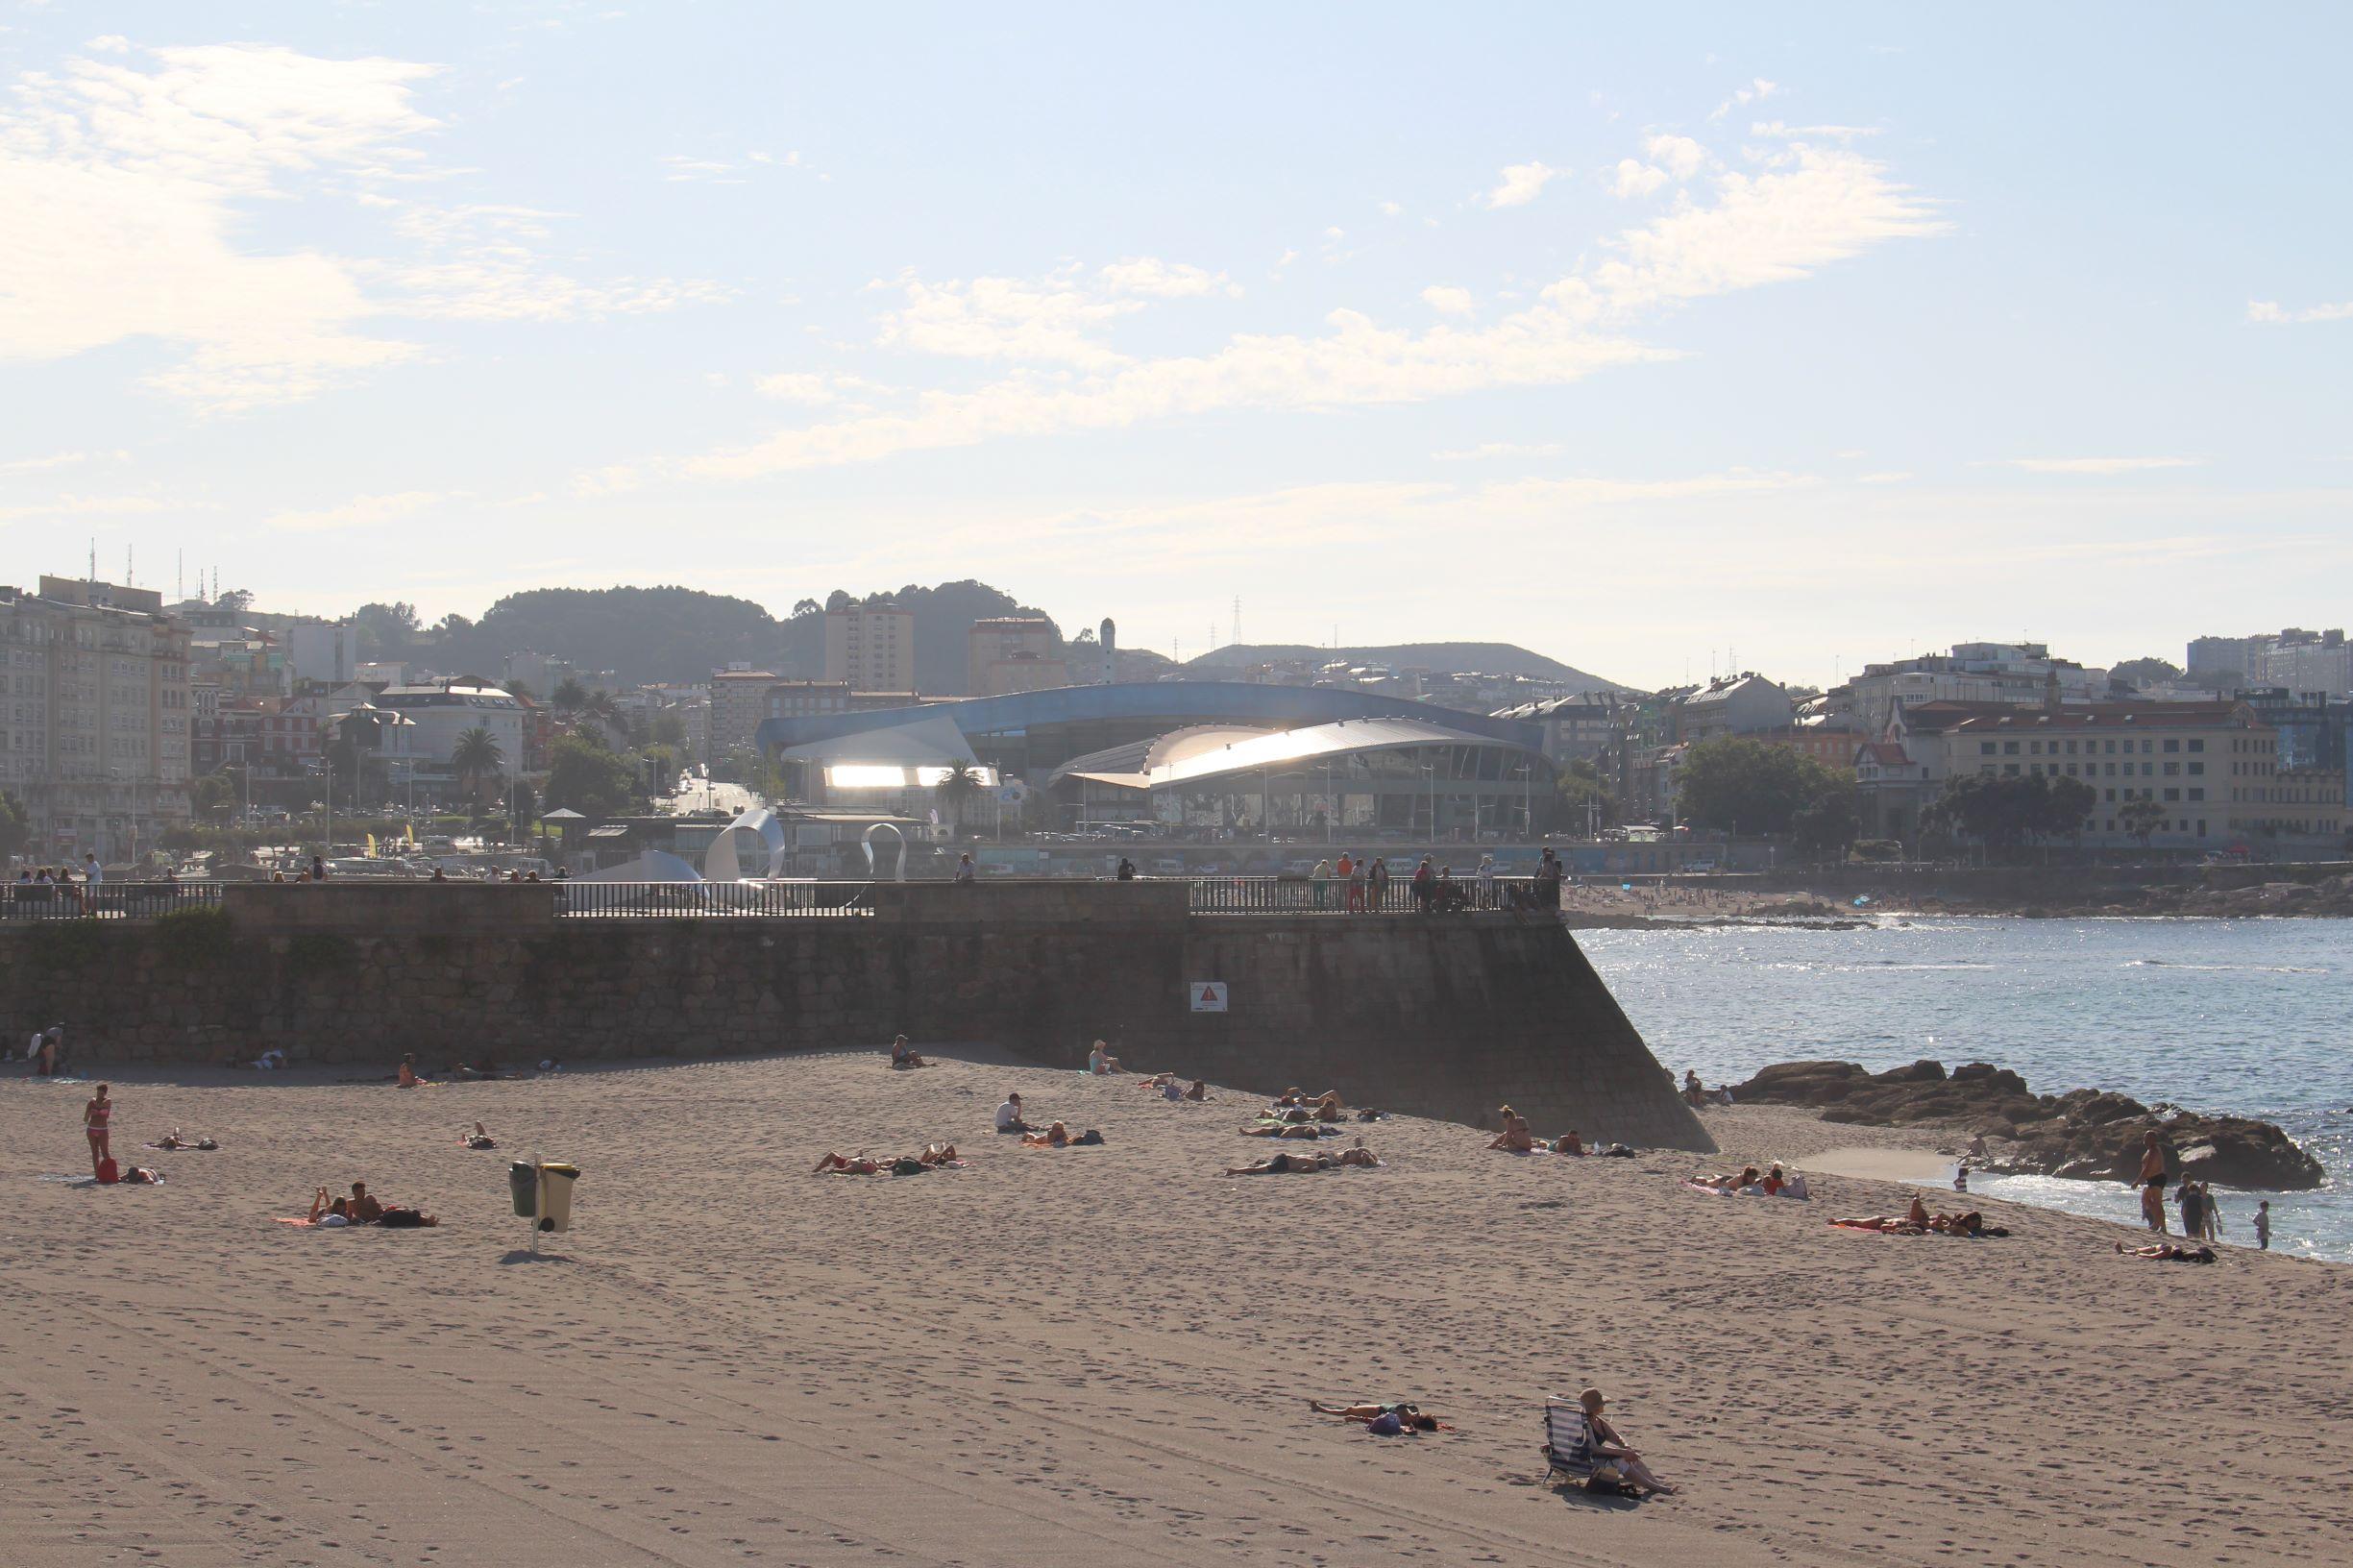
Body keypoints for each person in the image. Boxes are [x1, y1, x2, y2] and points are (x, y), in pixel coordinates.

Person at [1579, 1388, 1676, 1495]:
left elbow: (1616, 1437)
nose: (1604, 1405)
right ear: (1595, 1407)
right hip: (1585, 1460)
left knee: (1633, 1458)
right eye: (1602, 1404)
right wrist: (1623, 1452)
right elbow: (1594, 1448)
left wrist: (1627, 1447)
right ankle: (1656, 1488)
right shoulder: (1585, 1423)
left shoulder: (1598, 1421)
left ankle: (1657, 1485)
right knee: (1621, 1461)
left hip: (1591, 1457)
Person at [84, 1083, 113, 1176]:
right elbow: (85, 1119)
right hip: (92, 1129)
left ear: (105, 1093)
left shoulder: (107, 1101)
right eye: (98, 1093)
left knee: (105, 1153)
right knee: (95, 1152)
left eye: (101, 1093)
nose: (99, 1095)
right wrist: (89, 1111)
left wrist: (93, 1101)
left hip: (103, 1129)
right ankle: (97, 1174)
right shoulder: (91, 1102)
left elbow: (100, 1106)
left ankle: (110, 1173)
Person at [1226, 1150, 1331, 1174]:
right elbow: (1304, 1169)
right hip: (1284, 1165)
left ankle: (1261, 1163)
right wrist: (1292, 1172)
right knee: (1257, 1171)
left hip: (1283, 1156)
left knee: (1266, 1166)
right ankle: (1234, 1171)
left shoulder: (1311, 1157)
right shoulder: (1315, 1166)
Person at [2115, 1239, 2215, 1263]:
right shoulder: (2172, 1251)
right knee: (2138, 1251)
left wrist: (2140, 1255)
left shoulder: (2166, 1252)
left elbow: (2152, 1256)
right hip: (2161, 1248)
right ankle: (2124, 1252)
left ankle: (2123, 1252)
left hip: (2159, 1248)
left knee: (2138, 1251)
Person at [812, 1152, 882, 1174]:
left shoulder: (854, 1167)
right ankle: (858, 1156)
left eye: (868, 1164)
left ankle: (817, 1170)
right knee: (857, 1157)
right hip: (850, 1160)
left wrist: (830, 1171)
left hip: (843, 1163)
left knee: (832, 1154)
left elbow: (841, 1170)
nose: (868, 1162)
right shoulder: (868, 1164)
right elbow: (879, 1167)